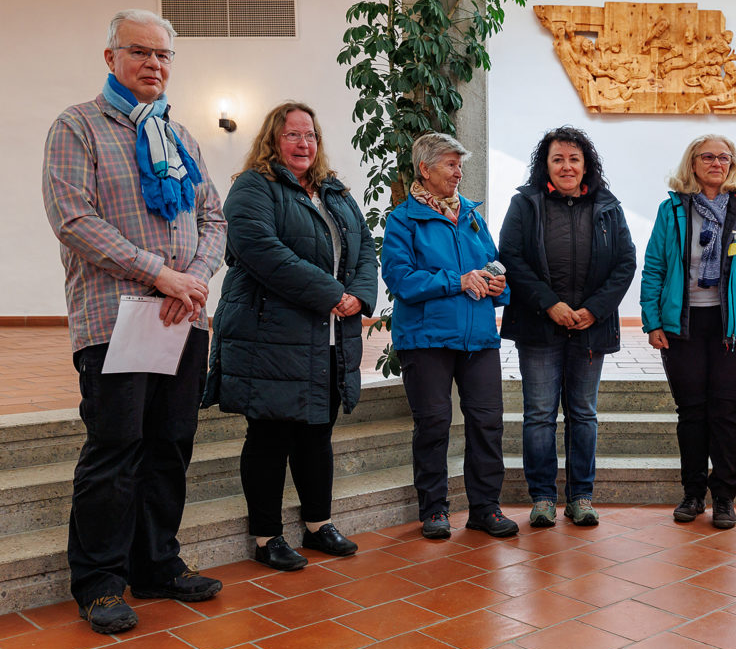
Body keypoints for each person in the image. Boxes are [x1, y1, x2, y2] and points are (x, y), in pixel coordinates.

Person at [42, 9, 226, 633]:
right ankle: (99, 582)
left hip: (183, 317)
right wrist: (159, 274)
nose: (153, 63)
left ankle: (157, 565)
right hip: (116, 317)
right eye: (139, 51)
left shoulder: (181, 137)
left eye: (163, 54)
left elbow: (214, 219)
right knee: (116, 449)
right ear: (110, 57)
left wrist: (191, 279)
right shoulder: (78, 126)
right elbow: (74, 218)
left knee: (170, 446)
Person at [204, 102, 378, 570]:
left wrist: (359, 296)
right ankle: (267, 537)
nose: (304, 144)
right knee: (270, 438)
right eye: (293, 135)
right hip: (270, 337)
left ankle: (318, 524)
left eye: (311, 135)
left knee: (317, 434)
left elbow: (365, 249)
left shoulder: (334, 191)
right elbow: (259, 249)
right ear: (272, 140)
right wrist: (331, 293)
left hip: (329, 335)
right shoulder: (253, 187)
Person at [381, 132, 518, 540]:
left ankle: (485, 508)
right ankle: (435, 509)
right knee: (434, 424)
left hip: (478, 338)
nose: (459, 173)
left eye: (460, 165)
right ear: (425, 169)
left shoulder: (472, 216)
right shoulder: (403, 219)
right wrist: (457, 281)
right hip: (426, 340)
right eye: (451, 165)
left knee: (488, 422)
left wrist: (499, 287)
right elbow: (400, 280)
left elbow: (493, 267)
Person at [498, 127, 637, 527]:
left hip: (590, 328)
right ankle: (542, 498)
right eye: (557, 159)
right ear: (545, 165)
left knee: (583, 414)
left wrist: (594, 309)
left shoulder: (608, 206)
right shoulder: (526, 203)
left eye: (574, 159)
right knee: (540, 414)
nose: (566, 167)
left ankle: (581, 498)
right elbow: (511, 257)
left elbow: (625, 262)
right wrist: (550, 304)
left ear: (586, 165)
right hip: (539, 325)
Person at [640, 134, 736, 530]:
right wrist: (652, 320)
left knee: (726, 411)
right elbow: (654, 267)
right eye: (707, 157)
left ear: (732, 163)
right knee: (691, 412)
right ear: (693, 163)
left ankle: (724, 497)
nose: (717, 163)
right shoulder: (672, 209)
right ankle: (693, 493)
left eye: (724, 157)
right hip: (682, 325)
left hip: (732, 326)